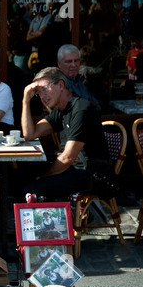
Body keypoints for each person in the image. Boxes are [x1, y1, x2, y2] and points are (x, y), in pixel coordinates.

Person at [21, 67, 111, 201]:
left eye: (45, 89)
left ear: (61, 85)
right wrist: (25, 100)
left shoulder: (81, 108)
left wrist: (44, 176)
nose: (42, 96)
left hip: (91, 174)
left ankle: (60, 219)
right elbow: (30, 134)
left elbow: (68, 158)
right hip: (72, 170)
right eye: (38, 92)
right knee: (18, 178)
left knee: (31, 189)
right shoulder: (60, 110)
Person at [57, 44, 101, 112]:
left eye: (76, 61)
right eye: (69, 61)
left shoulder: (79, 82)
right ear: (59, 64)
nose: (74, 65)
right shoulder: (58, 86)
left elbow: (98, 108)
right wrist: (90, 105)